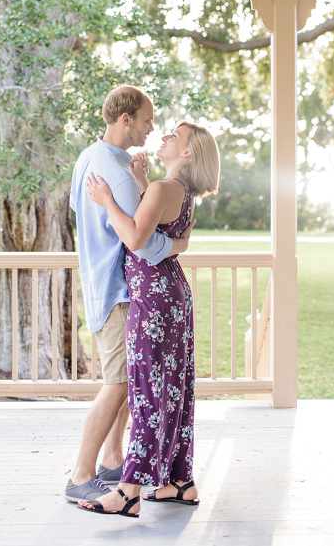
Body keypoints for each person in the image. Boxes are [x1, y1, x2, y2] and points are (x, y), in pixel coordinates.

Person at [79, 120, 220, 518]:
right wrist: (141, 180)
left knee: (147, 393)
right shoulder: (180, 192)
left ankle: (127, 493)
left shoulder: (163, 189)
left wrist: (107, 200)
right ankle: (180, 482)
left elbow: (136, 238)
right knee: (171, 389)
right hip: (172, 295)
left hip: (153, 300)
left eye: (175, 136)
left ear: (188, 152)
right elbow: (159, 226)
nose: (166, 137)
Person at [63, 85, 192, 504]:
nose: (152, 128)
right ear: (126, 120)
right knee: (119, 382)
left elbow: (81, 212)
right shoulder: (116, 172)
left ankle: (112, 460)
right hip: (120, 289)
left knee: (127, 380)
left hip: (101, 282)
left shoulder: (91, 158)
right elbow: (144, 241)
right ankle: (81, 472)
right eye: (148, 119)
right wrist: (179, 245)